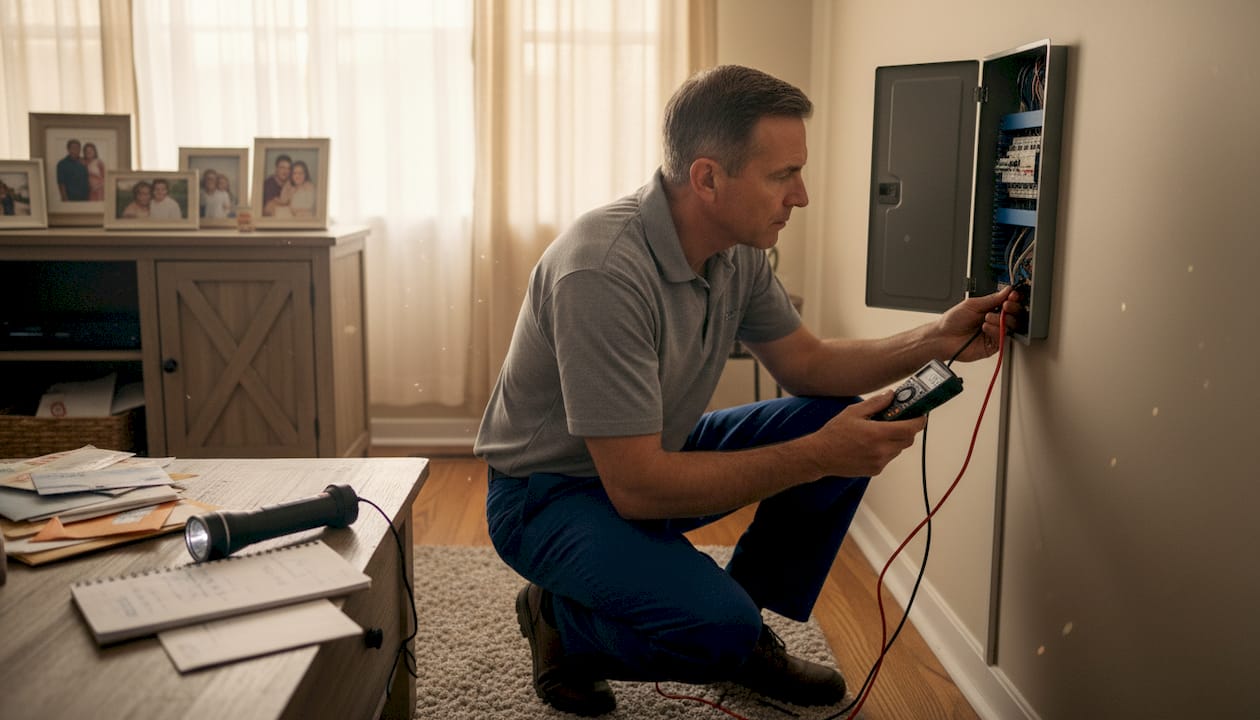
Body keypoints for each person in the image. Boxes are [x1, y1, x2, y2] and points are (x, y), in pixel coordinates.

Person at [473, 64, 1021, 717]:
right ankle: (560, 618)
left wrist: (936, 337)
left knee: (829, 418)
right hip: (549, 492)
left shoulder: (738, 251)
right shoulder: (601, 271)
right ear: (707, 178)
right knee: (719, 626)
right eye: (783, 175)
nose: (802, 196)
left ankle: (745, 631)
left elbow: (809, 365)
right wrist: (822, 455)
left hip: (651, 452)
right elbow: (637, 488)